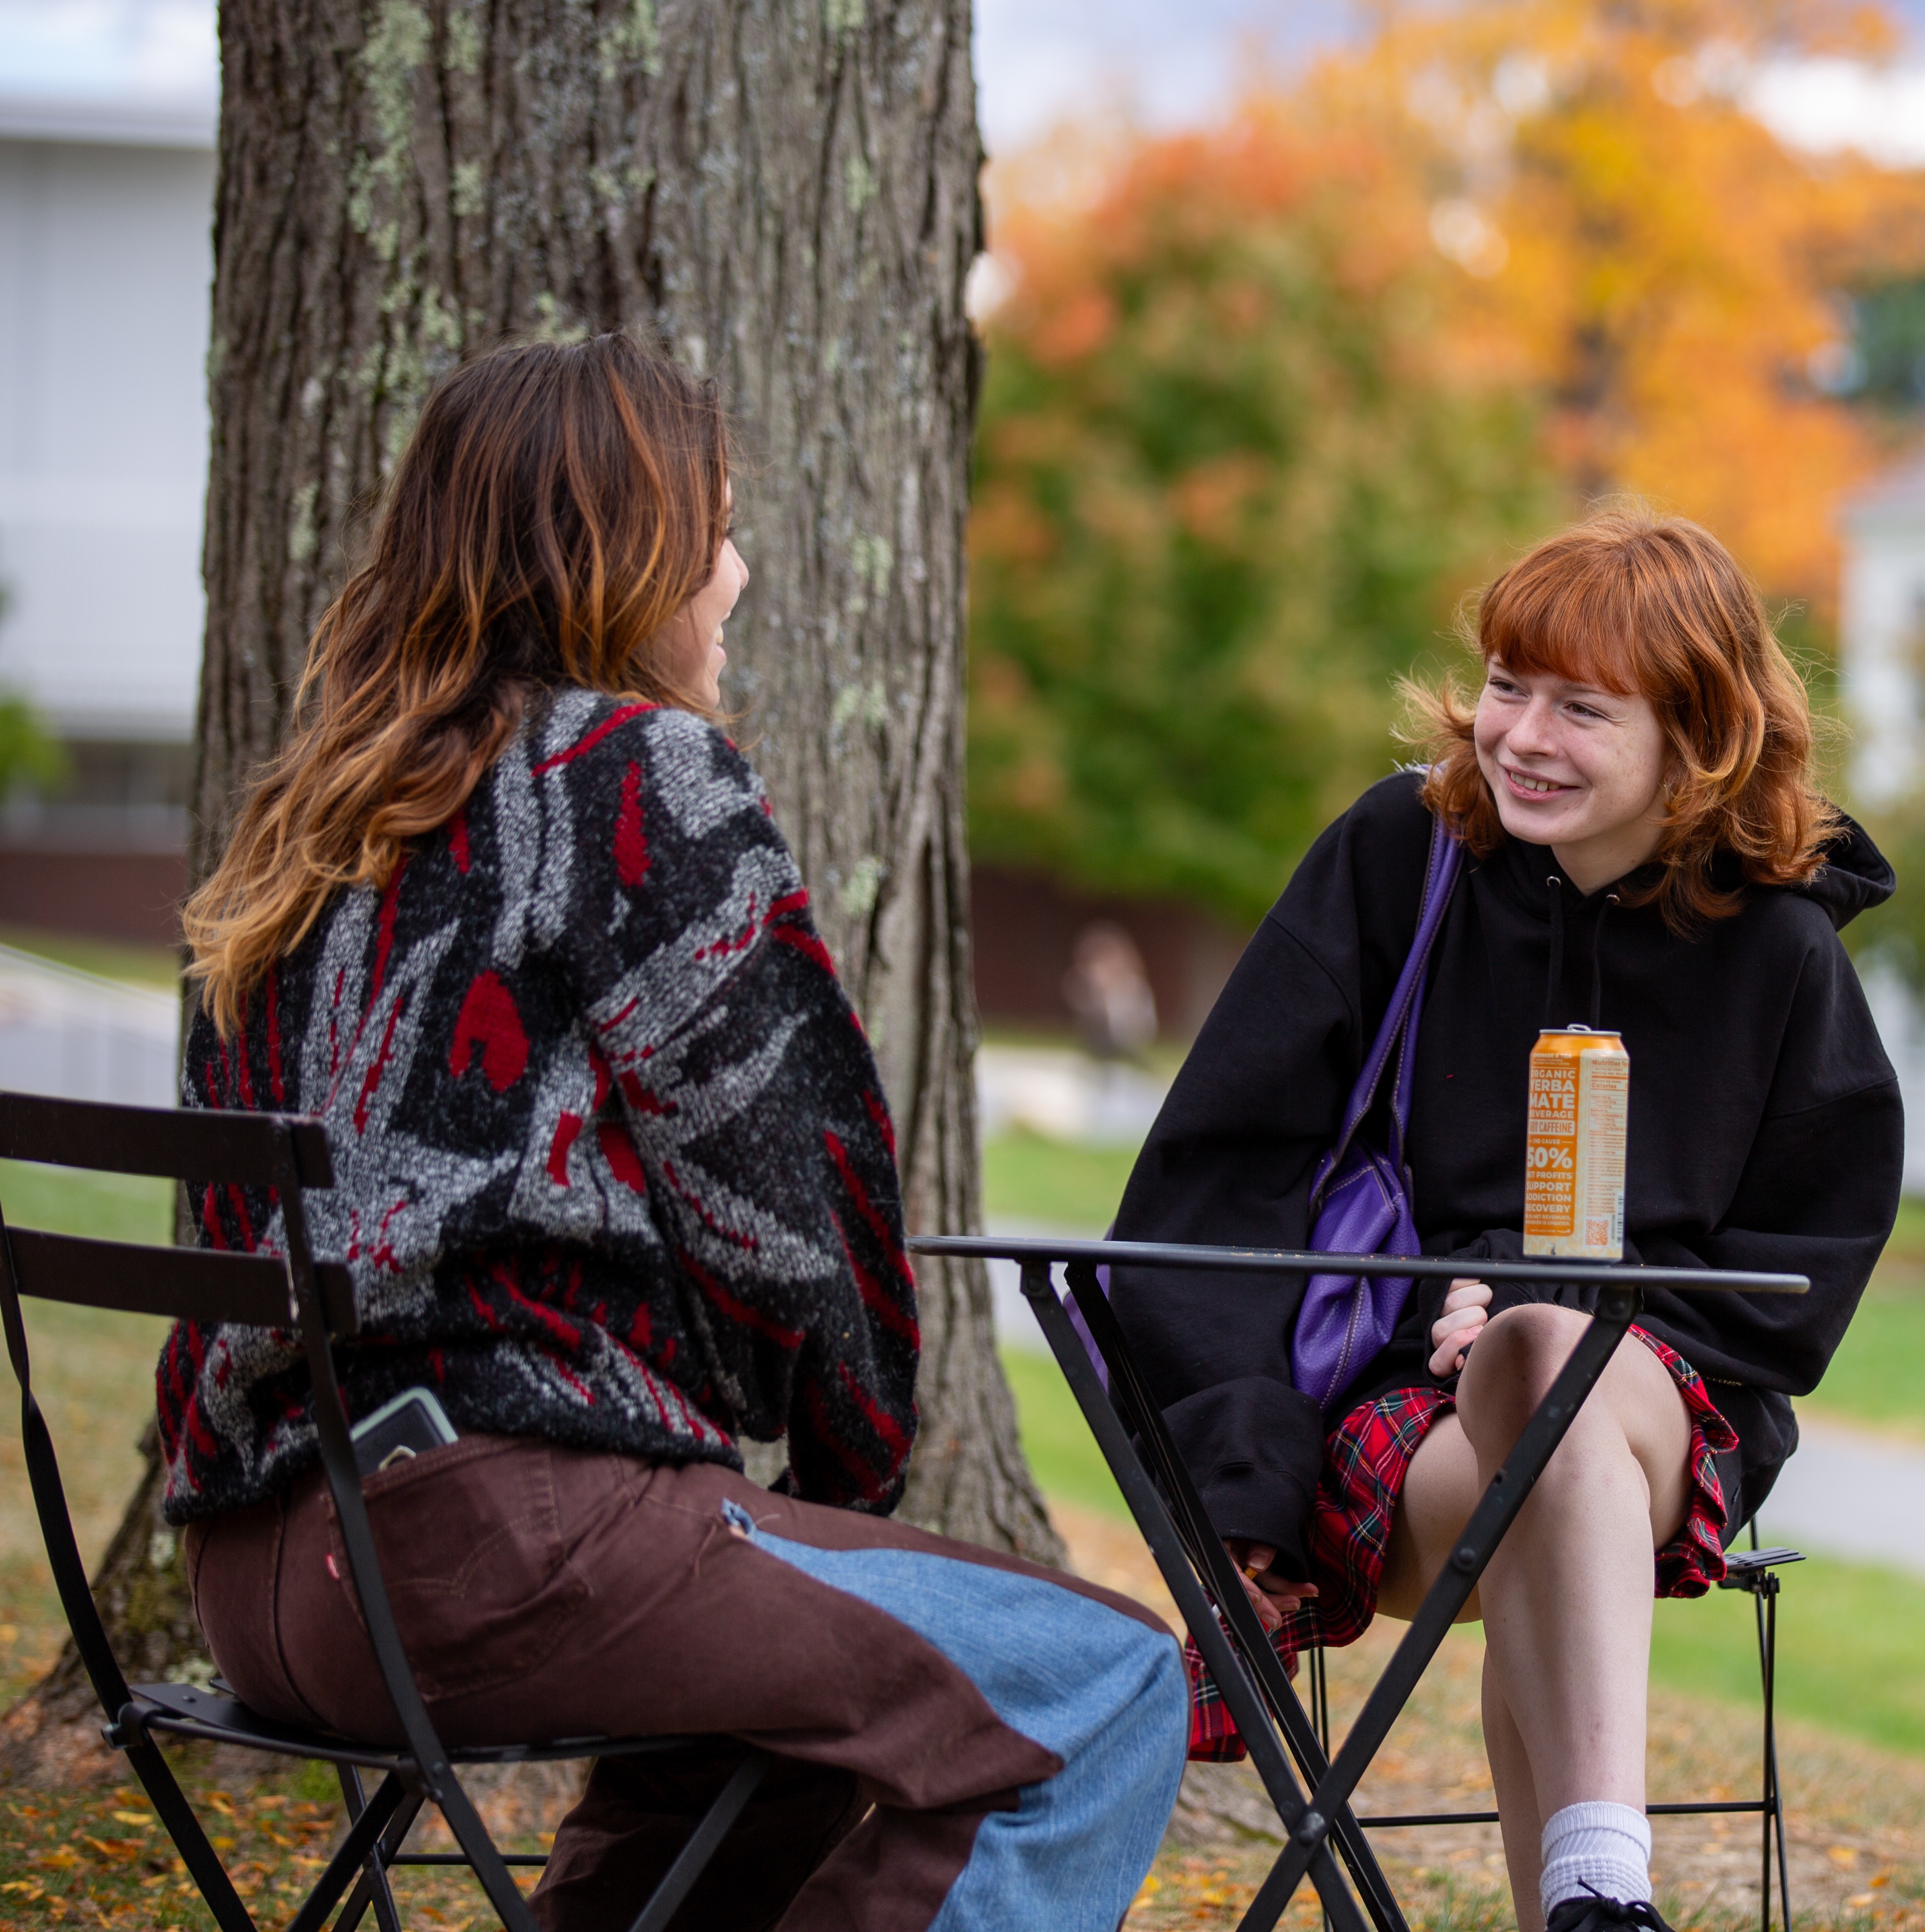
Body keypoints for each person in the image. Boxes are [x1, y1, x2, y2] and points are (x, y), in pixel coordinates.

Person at [162, 333, 1184, 1932]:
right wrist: (857, 1463)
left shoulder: (318, 814)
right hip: (489, 1554)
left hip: (264, 1575)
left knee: (784, 1709)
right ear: (622, 553)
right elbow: (800, 1211)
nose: (739, 573)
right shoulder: (631, 776)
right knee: (1107, 1689)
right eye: (711, 531)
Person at [1112, 504, 1903, 1932]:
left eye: (1581, 708)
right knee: (1536, 1380)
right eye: (1506, 684)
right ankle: (1598, 1897)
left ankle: (1598, 1879)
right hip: (1402, 1439)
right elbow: (1214, 1176)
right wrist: (1251, 1464)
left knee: (1550, 1354)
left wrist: (1588, 1313)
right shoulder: (1397, 860)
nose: (1520, 735)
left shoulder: (1780, 950)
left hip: (1674, 1418)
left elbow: (1808, 1269)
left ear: (1695, 735)